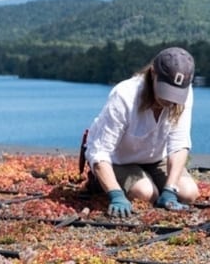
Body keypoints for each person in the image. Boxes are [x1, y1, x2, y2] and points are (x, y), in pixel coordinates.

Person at [84, 47, 199, 217]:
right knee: (145, 194)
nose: (169, 100)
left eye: (175, 94)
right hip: (118, 160)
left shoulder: (184, 94)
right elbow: (99, 152)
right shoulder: (125, 95)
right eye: (165, 91)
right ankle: (99, 182)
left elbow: (179, 144)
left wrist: (170, 189)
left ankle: (157, 186)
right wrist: (115, 194)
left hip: (154, 159)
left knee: (188, 193)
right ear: (153, 73)